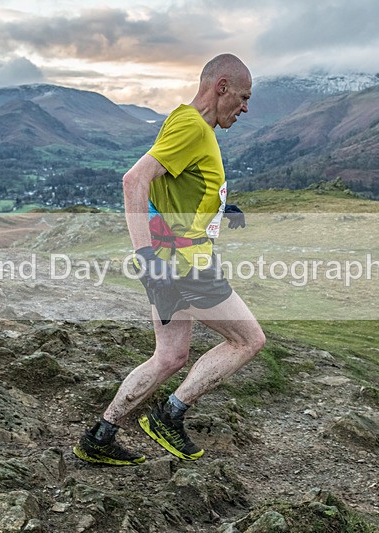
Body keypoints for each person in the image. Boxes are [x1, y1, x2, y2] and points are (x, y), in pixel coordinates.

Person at [73, 53, 266, 465]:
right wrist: (147, 259)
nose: (246, 108)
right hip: (183, 266)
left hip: (171, 261)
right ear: (222, 87)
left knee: (170, 357)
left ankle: (100, 436)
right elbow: (134, 180)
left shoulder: (185, 122)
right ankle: (169, 415)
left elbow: (173, 186)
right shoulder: (194, 128)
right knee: (248, 340)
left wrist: (219, 208)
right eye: (244, 97)